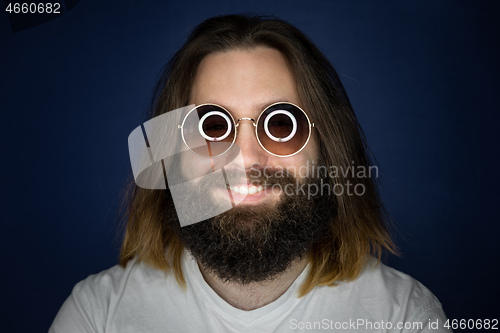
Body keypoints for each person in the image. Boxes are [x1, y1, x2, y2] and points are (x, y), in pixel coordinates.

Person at [50, 14, 450, 332]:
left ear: (328, 150)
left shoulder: (405, 320)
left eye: (280, 125)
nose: (246, 158)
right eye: (211, 126)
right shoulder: (96, 317)